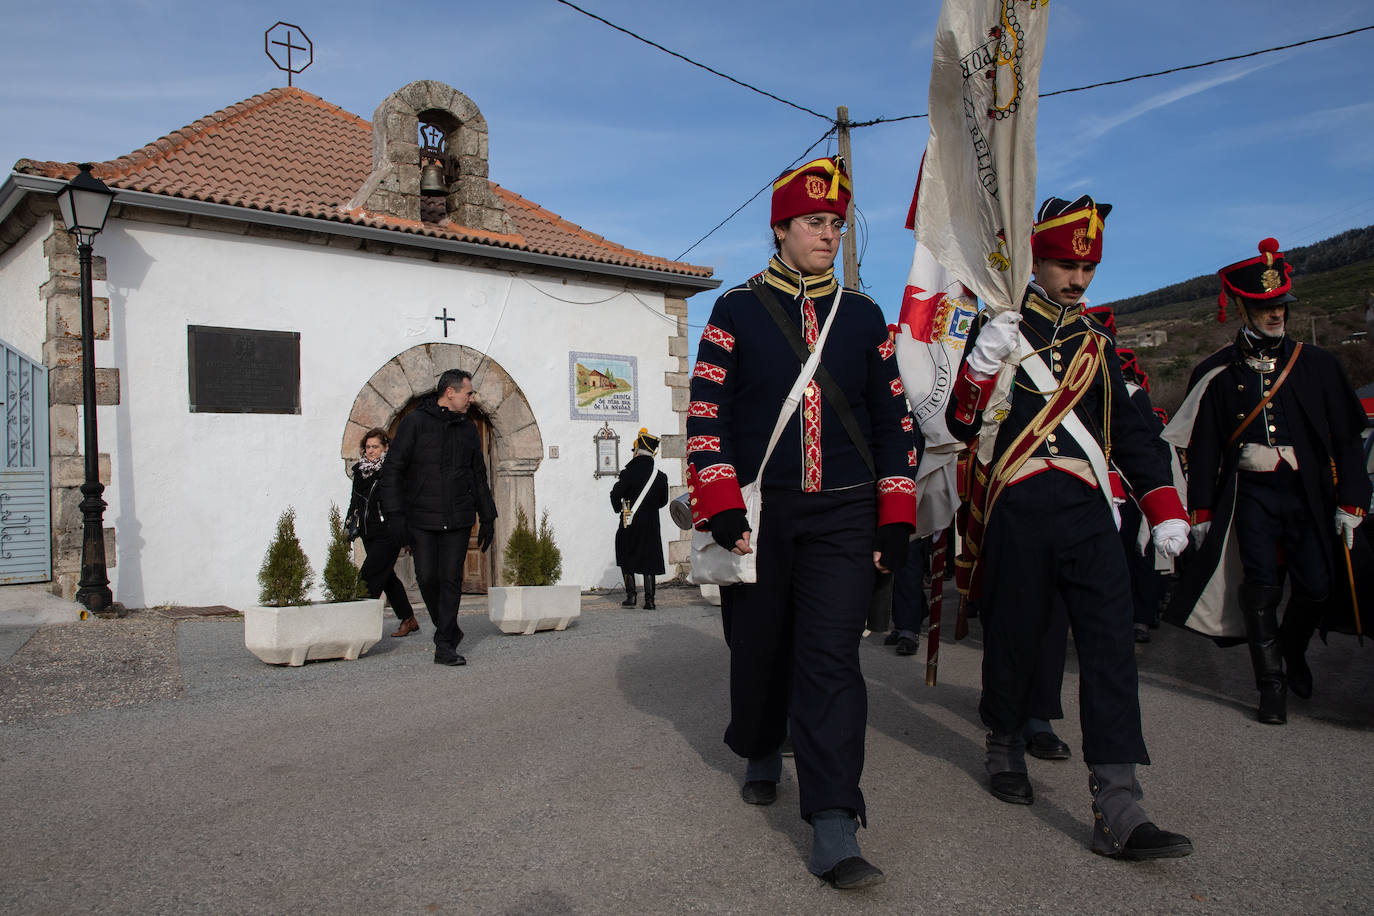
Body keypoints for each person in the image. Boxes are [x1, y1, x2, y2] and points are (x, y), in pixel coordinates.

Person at [687, 157, 917, 890]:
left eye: (837, 224)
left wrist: (895, 513)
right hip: (764, 510)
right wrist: (721, 502)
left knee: (830, 659)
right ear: (780, 227)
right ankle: (761, 744)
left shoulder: (865, 316)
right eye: (815, 222)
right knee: (758, 647)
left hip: (845, 512)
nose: (829, 235)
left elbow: (894, 420)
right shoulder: (735, 310)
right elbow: (706, 415)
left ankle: (834, 819)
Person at [945, 195, 1193, 860]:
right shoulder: (1000, 328)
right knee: (1015, 635)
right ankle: (1004, 743)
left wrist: (1165, 507)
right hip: (1020, 506)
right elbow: (961, 425)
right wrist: (981, 365)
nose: (1078, 279)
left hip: (1088, 511)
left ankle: (1120, 802)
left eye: (1087, 268)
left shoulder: (1098, 346)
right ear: (1038, 262)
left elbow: (1133, 435)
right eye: (1065, 265)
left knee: (1111, 648)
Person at [1164, 238, 1371, 723]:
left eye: (1280, 304)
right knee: (1259, 587)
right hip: (1250, 495)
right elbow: (1205, 447)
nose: (1276, 313)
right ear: (1242, 307)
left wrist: (1353, 500)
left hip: (1307, 493)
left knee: (1316, 586)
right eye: (1264, 306)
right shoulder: (1218, 371)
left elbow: (1346, 437)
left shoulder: (1318, 364)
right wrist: (1201, 511)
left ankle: (1291, 649)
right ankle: (1270, 684)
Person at [382, 369, 497, 667]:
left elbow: (478, 475)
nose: (471, 399)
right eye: (468, 393)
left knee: (450, 579)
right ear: (450, 392)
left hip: (458, 518)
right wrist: (395, 516)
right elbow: (393, 470)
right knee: (427, 578)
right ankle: (449, 628)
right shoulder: (414, 423)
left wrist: (488, 516)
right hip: (421, 518)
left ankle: (444, 643)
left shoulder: (468, 429)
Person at [347, 428, 420, 637]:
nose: (371, 451)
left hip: (388, 532)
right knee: (387, 576)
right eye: (368, 447)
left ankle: (361, 626)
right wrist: (349, 524)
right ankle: (408, 618)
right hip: (368, 531)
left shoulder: (392, 470)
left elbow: (404, 501)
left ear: (386, 447)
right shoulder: (360, 471)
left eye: (375, 447)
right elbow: (355, 501)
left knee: (368, 577)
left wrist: (406, 532)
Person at [609, 428, 669, 608]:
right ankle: (650, 600)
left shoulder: (628, 473)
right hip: (651, 523)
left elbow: (615, 494)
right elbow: (663, 501)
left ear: (637, 451)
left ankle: (631, 597)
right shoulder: (660, 476)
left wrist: (619, 508)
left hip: (630, 521)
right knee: (650, 558)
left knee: (626, 555)